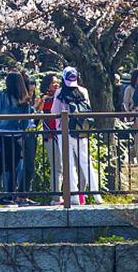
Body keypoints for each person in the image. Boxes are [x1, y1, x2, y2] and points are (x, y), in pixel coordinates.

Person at [50, 67, 102, 205]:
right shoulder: (83, 91)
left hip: (64, 132)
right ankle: (96, 195)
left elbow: (54, 112)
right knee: (86, 163)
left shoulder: (60, 92)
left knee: (69, 165)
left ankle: (73, 197)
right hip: (81, 131)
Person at [0, 72, 36, 205]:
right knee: (12, 167)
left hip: (0, 135)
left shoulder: (0, 96)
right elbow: (26, 122)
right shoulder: (24, 99)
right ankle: (9, 196)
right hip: (16, 136)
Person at [38, 73, 62, 204]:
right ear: (47, 86)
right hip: (52, 136)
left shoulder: (59, 97)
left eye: (57, 82)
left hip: (59, 135)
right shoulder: (46, 100)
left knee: (61, 167)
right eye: (53, 83)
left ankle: (60, 195)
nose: (56, 84)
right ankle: (56, 197)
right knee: (57, 167)